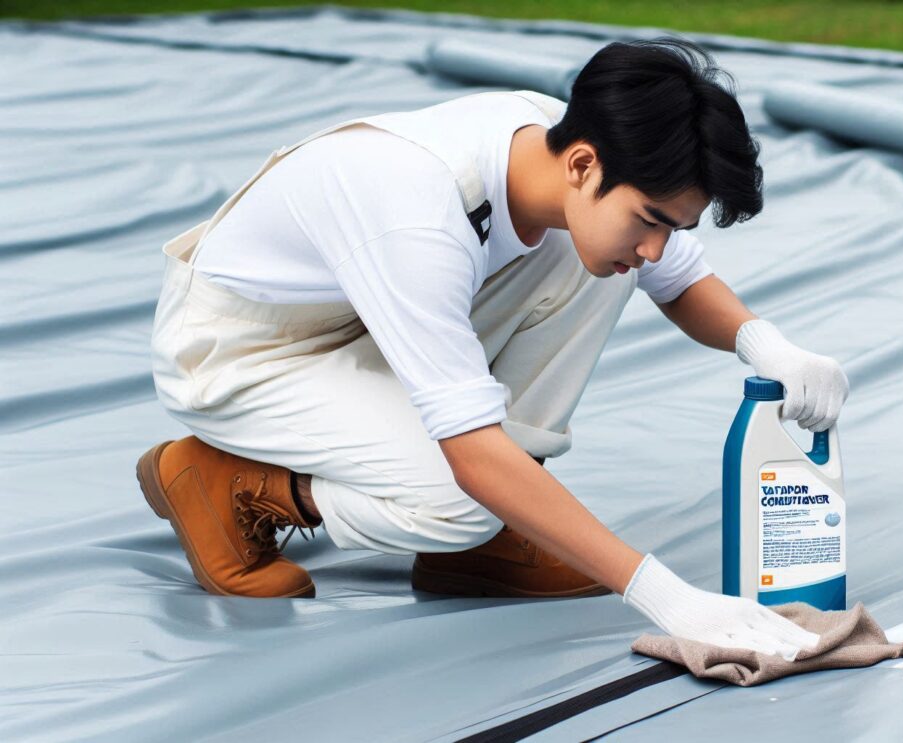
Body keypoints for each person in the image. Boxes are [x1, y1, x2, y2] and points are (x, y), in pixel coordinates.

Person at [136, 37, 849, 661]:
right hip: (243, 349)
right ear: (581, 164)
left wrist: (770, 348)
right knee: (460, 497)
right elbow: (473, 457)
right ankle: (231, 483)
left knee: (604, 261)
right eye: (652, 218)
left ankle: (490, 539)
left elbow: (679, 277)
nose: (660, 242)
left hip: (358, 310)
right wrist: (669, 598)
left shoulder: (555, 146)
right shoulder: (420, 211)